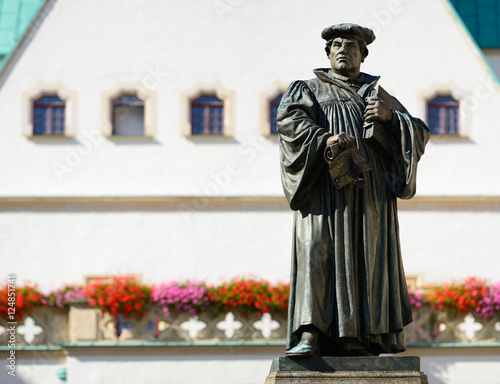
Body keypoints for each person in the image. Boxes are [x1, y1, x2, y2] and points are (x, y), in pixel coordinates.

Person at [277, 23, 430, 357]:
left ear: (363, 54)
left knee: (367, 256)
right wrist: (326, 139)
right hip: (324, 190)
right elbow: (290, 124)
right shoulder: (308, 89)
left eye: (351, 45)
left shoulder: (379, 94)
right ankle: (310, 333)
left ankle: (359, 337)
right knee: (317, 251)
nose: (343, 49)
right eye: (336, 45)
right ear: (328, 53)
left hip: (370, 193)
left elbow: (418, 133)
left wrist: (392, 119)